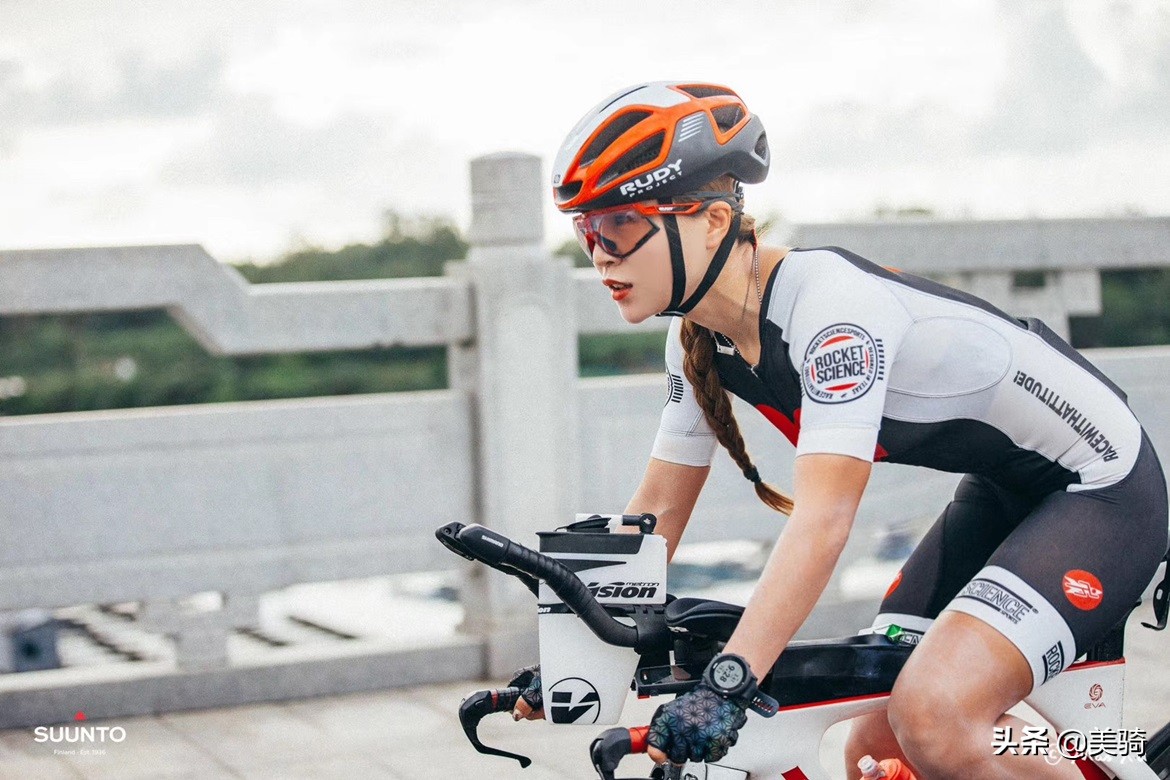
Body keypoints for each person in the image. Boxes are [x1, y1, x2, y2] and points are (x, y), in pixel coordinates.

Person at [513, 81, 1169, 779]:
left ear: (709, 221)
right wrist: (573, 662)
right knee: (876, 741)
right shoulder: (696, 339)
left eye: (616, 226)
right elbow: (655, 517)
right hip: (1006, 488)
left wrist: (729, 683)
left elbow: (824, 522)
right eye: (586, 233)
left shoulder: (830, 314)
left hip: (1102, 490)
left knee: (936, 713)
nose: (599, 254)